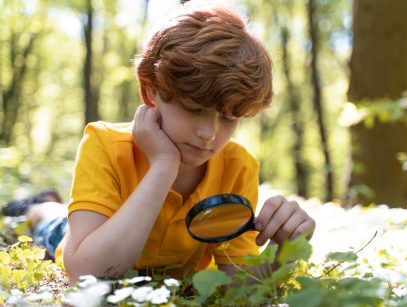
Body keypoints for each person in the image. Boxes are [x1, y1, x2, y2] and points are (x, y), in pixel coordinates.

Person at [5, 0, 316, 285]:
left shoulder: (237, 166)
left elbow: (241, 281)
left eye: (229, 118)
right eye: (194, 110)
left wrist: (286, 250)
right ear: (152, 91)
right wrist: (164, 166)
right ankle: (42, 206)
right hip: (85, 236)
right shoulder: (104, 144)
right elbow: (86, 272)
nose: (209, 134)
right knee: (52, 220)